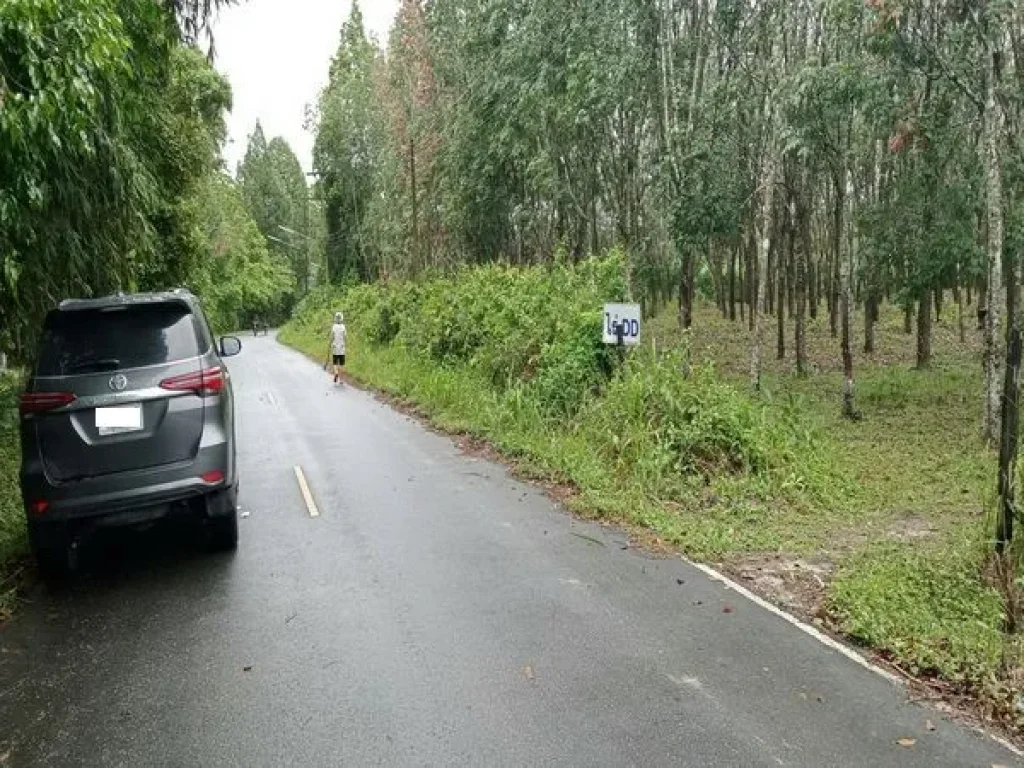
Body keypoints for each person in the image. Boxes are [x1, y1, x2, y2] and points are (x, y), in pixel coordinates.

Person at [328, 311, 347, 384]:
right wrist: (346, 344)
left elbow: (332, 337)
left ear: (336, 319)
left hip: (335, 346)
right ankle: (341, 380)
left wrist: (329, 344)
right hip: (342, 347)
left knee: (335, 362)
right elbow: (345, 337)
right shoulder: (343, 327)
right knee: (341, 364)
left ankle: (336, 373)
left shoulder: (334, 326)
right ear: (341, 319)